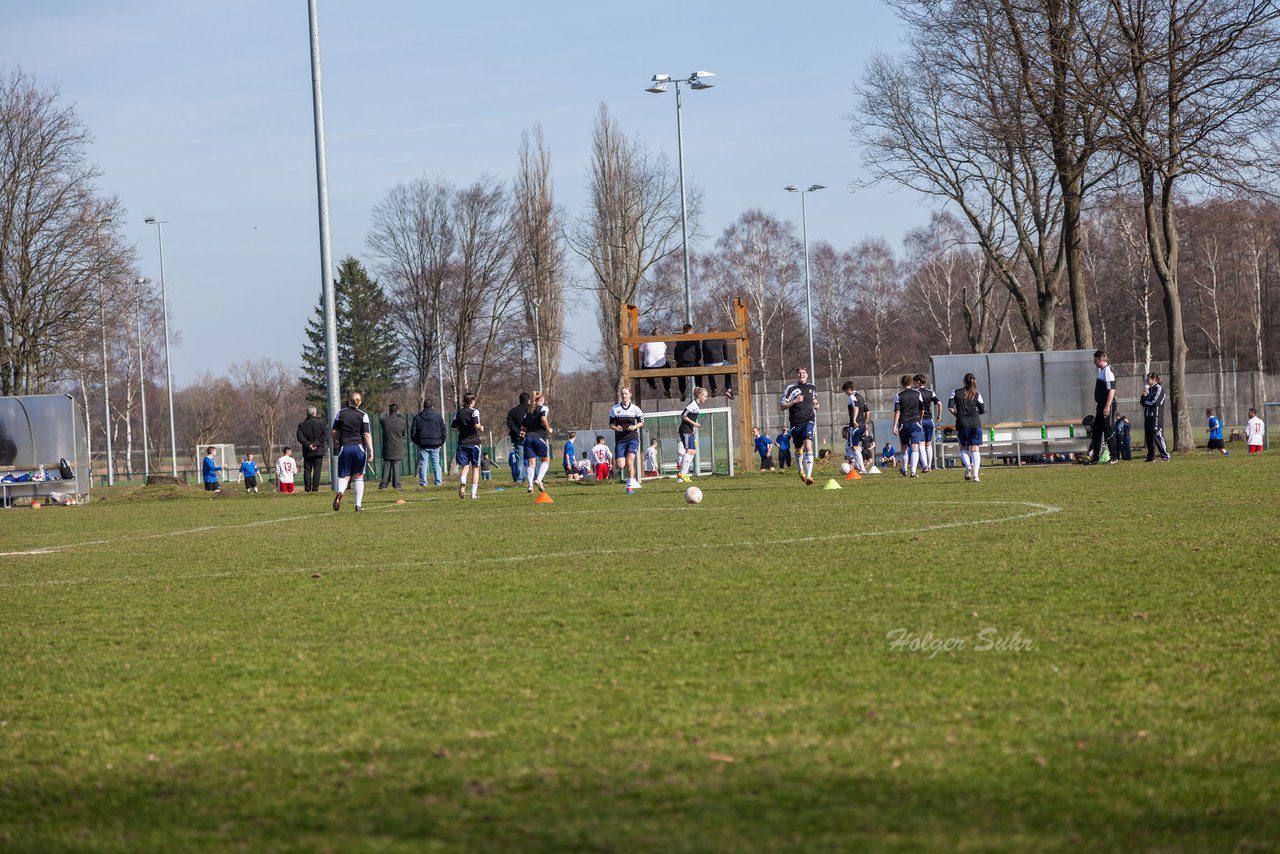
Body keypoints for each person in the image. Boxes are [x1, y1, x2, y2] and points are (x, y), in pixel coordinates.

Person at [331, 391, 374, 512]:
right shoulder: (363, 415)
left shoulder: (341, 413)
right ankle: (358, 505)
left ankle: (340, 492)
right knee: (359, 477)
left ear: (349, 400)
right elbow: (366, 434)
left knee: (344, 476)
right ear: (359, 402)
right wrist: (371, 451)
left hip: (344, 447)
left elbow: (334, 431)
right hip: (358, 448)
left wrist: (335, 441)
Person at [780, 366, 819, 485]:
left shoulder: (812, 387)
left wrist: (817, 404)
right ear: (797, 375)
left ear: (807, 375)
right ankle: (800, 470)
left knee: (808, 445)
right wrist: (794, 401)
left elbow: (815, 400)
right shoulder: (791, 389)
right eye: (799, 373)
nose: (801, 375)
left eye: (803, 373)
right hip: (795, 423)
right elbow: (782, 406)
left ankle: (809, 476)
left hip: (809, 420)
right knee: (798, 449)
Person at [948, 372, 986, 482]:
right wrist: (973, 415)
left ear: (964, 381)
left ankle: (968, 465)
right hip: (975, 423)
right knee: (975, 449)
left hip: (962, 423)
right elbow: (982, 410)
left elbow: (950, 408)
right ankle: (976, 475)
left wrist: (958, 415)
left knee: (963, 448)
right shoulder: (977, 394)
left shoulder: (955, 392)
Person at [609, 386, 645, 493]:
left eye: (626, 393)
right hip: (620, 440)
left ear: (630, 395)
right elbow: (611, 424)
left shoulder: (635, 409)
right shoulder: (615, 409)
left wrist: (634, 427)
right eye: (622, 394)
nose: (624, 395)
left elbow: (641, 422)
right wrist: (616, 428)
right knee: (621, 465)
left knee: (630, 463)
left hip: (632, 438)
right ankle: (620, 472)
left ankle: (629, 486)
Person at [892, 374, 926, 478]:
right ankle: (913, 472)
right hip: (915, 422)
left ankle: (904, 470)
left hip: (903, 423)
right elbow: (922, 409)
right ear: (911, 383)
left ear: (902, 384)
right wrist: (919, 419)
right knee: (915, 447)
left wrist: (894, 426)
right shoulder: (917, 393)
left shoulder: (899, 395)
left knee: (904, 447)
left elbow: (897, 411)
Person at [452, 392, 484, 499]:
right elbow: (476, 424)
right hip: (474, 443)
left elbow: (453, 428)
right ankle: (473, 494)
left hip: (462, 443)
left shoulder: (458, 413)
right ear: (471, 402)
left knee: (465, 466)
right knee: (475, 468)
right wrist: (481, 428)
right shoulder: (475, 411)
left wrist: (462, 428)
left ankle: (463, 483)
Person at [521, 390, 552, 493]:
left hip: (528, 438)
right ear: (541, 399)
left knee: (531, 463)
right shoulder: (543, 408)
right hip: (540, 437)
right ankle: (538, 479)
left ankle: (530, 485)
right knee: (546, 460)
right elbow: (543, 418)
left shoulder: (528, 410)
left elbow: (523, 427)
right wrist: (548, 428)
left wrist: (523, 432)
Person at [1089, 350, 1116, 464]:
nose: (1094, 362)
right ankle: (1095, 458)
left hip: (1106, 404)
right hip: (1100, 405)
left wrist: (1107, 406)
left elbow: (1112, 390)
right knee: (1096, 431)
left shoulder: (1108, 372)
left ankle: (1114, 456)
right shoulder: (1102, 371)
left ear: (1100, 360)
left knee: (1108, 430)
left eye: (1095, 360)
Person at [411, 400, 447, 487]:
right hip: (436, 444)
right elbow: (443, 430)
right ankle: (438, 482)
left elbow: (413, 433)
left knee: (423, 463)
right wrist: (441, 441)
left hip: (423, 444)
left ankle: (423, 482)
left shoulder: (417, 417)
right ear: (432, 407)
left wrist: (418, 442)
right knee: (436, 463)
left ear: (424, 406)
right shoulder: (438, 417)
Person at [296, 405, 328, 492]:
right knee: (317, 471)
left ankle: (307, 489)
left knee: (307, 470)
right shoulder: (321, 423)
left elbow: (300, 437)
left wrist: (308, 445)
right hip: (319, 451)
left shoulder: (302, 425)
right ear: (315, 413)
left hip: (307, 451)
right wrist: (316, 444)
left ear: (307, 413)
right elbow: (325, 436)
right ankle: (315, 489)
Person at [841, 381, 870, 474]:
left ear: (849, 389)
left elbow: (856, 408)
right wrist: (866, 423)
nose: (846, 393)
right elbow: (868, 411)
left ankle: (862, 468)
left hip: (855, 425)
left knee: (854, 447)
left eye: (845, 391)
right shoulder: (860, 397)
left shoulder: (852, 397)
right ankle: (860, 467)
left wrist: (853, 420)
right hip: (862, 425)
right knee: (855, 447)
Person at [914, 374, 942, 473]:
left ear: (918, 382)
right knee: (928, 445)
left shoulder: (915, 393)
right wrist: (939, 415)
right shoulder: (930, 392)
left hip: (919, 420)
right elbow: (939, 403)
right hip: (930, 420)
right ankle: (929, 466)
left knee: (920, 444)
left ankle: (925, 466)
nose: (914, 384)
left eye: (914, 382)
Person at [1140, 372, 1170, 462]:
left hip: (1155, 416)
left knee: (1157, 434)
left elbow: (1155, 402)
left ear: (1154, 380)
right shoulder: (1150, 389)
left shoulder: (1158, 388)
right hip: (1148, 416)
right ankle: (1150, 457)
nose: (1146, 381)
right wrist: (1144, 395)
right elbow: (1142, 403)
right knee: (1148, 437)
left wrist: (1146, 402)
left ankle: (1165, 455)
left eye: (1148, 379)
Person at [378, 403, 408, 490]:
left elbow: (382, 417)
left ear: (389, 410)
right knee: (396, 467)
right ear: (397, 411)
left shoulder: (383, 420)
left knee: (386, 467)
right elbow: (403, 434)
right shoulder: (402, 422)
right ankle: (396, 485)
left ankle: (383, 485)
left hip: (387, 447)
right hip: (398, 447)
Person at [639, 327, 672, 397]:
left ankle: (652, 384)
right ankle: (667, 388)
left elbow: (641, 355)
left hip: (648, 367)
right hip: (662, 366)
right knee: (667, 369)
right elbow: (664, 355)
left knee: (644, 367)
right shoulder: (663, 343)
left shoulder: (646, 341)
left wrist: (646, 361)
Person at [700, 333, 734, 399]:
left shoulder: (705, 341)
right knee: (728, 367)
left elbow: (704, 353)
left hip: (709, 363)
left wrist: (705, 362)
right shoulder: (721, 339)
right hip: (720, 362)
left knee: (709, 369)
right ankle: (728, 388)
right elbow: (726, 354)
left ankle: (713, 390)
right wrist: (724, 360)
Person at [506, 392, 530, 481]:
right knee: (531, 458)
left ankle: (519, 479)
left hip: (517, 437)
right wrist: (526, 432)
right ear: (528, 400)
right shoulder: (530, 409)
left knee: (519, 459)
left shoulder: (513, 411)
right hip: (530, 437)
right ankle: (532, 477)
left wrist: (519, 432)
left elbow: (509, 424)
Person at [672, 324, 701, 398]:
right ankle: (699, 390)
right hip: (693, 363)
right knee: (699, 372)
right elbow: (698, 353)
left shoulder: (679, 340)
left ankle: (682, 391)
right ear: (691, 330)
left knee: (680, 375)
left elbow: (676, 353)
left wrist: (678, 360)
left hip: (681, 363)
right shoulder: (695, 339)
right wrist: (696, 359)